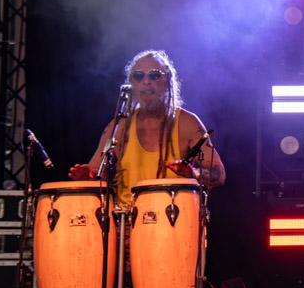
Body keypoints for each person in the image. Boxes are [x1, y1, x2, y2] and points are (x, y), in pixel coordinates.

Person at [69, 49, 225, 203]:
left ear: (167, 82)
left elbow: (219, 174)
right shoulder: (119, 126)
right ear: (132, 84)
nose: (146, 81)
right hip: (126, 218)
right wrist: (86, 178)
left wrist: (193, 173)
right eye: (138, 76)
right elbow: (96, 172)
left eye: (154, 75)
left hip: (174, 215)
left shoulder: (187, 123)